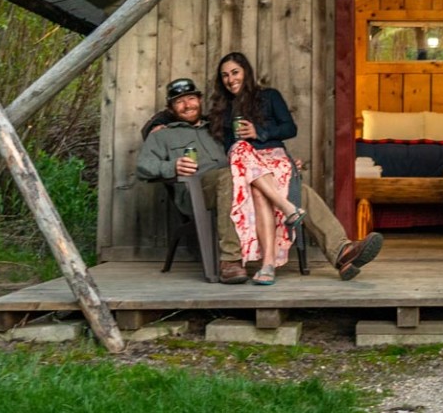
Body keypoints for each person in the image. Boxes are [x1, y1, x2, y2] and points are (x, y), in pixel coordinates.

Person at [138, 76, 383, 284]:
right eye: (179, 102)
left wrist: (283, 164)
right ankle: (230, 260)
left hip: (243, 180)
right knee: (229, 177)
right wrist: (172, 165)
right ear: (171, 109)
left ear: (200, 100)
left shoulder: (216, 127)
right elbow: (143, 166)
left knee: (296, 187)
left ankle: (342, 251)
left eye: (191, 98)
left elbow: (252, 150)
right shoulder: (162, 136)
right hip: (199, 189)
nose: (187, 104)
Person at [210, 51, 307, 284]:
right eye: (224, 75)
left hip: (273, 159)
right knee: (240, 149)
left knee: (242, 149)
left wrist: (259, 133)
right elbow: (191, 119)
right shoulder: (224, 108)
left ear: (246, 72)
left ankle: (268, 266)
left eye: (235, 72)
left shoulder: (269, 96)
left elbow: (289, 128)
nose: (230, 79)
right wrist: (158, 123)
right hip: (247, 165)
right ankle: (268, 263)